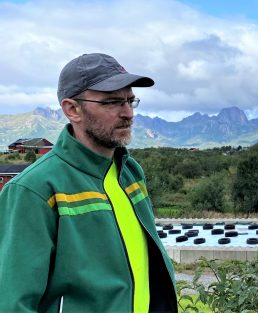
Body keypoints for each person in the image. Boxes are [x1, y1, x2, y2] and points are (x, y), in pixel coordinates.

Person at [0, 53, 177, 312]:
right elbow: (12, 303)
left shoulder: (130, 172)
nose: (127, 113)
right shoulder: (34, 189)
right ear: (73, 109)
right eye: (112, 102)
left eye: (130, 100)